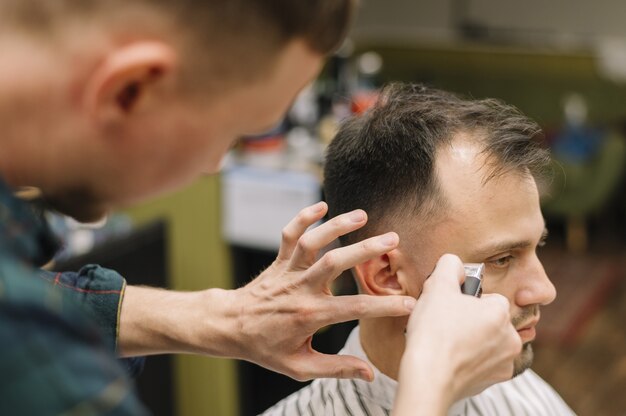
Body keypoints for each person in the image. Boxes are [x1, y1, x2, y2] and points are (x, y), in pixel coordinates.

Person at [0, 1, 521, 413]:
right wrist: (432, 381)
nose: (211, 165)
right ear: (131, 90)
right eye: (235, 132)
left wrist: (225, 317)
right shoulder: (37, 363)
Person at [262, 83, 575, 415]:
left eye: (537, 245)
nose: (544, 290)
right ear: (387, 275)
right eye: (501, 259)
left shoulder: (521, 393)